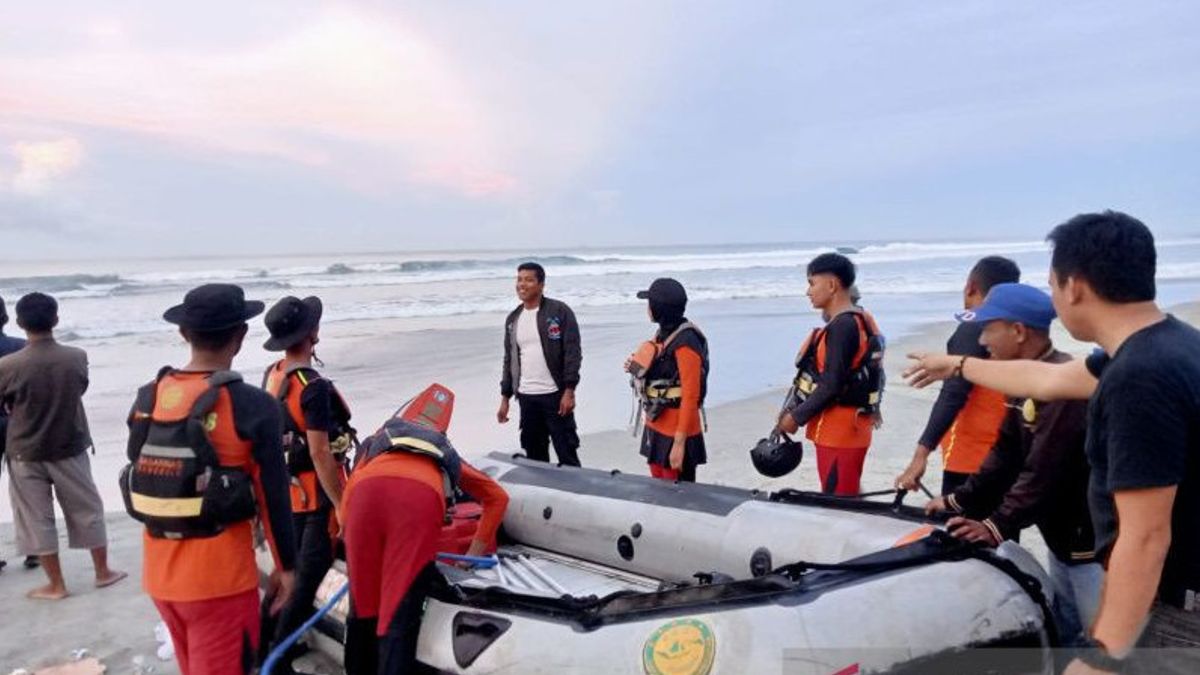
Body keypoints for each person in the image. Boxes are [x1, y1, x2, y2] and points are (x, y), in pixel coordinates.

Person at [905, 212, 1199, 674]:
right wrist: (960, 366)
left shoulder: (1139, 377)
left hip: (1180, 611)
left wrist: (1102, 656)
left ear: (1074, 286)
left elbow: (1145, 536)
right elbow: (1050, 378)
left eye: (1052, 284)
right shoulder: (1169, 344)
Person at [125, 284, 296, 675]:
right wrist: (288, 568)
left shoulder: (147, 399)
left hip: (160, 575)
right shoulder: (253, 406)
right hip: (220, 584)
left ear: (184, 334)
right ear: (241, 336)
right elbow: (274, 499)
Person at [922, 283, 1100, 646]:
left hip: (1091, 540)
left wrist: (995, 526)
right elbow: (1004, 454)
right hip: (1062, 534)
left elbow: (1043, 472)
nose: (982, 341)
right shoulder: (1025, 380)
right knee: (1064, 622)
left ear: (1018, 332)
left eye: (988, 329)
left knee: (1105, 640)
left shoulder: (1061, 387)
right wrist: (958, 501)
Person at [343, 384, 509, 674]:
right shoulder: (442, 450)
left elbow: (349, 497)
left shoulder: (376, 440)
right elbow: (497, 497)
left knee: (363, 608)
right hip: (418, 498)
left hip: (362, 494)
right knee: (399, 611)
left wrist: (345, 534)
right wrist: (472, 554)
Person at [0, 292, 124, 599]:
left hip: (24, 449)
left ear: (19, 322)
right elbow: (79, 389)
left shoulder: (8, 365)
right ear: (56, 319)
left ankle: (56, 584)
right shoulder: (76, 356)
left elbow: (5, 403)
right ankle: (102, 572)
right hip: (69, 443)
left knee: (36, 517)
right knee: (87, 509)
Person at [260, 296, 355, 669]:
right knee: (305, 581)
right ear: (312, 334)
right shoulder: (312, 386)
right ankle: (276, 658)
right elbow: (320, 454)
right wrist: (341, 503)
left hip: (284, 494)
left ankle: (264, 645)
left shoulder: (273, 373)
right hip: (314, 499)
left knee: (285, 574)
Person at [896, 257, 1020, 495]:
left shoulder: (975, 325)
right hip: (1007, 454)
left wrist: (920, 456)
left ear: (971, 286)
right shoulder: (1015, 329)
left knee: (961, 529)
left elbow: (955, 393)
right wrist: (949, 368)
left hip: (972, 457)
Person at [777, 253, 883, 496]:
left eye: (812, 283)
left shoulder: (843, 326)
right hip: (845, 429)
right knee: (845, 492)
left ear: (832, 285)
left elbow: (831, 384)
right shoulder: (857, 321)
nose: (808, 291)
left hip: (841, 433)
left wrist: (795, 417)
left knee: (839, 500)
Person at [497, 262, 582, 466]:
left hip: (556, 396)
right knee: (535, 455)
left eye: (528, 280)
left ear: (541, 285)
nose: (522, 284)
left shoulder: (559, 312)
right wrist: (505, 397)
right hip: (527, 397)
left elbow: (573, 352)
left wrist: (569, 390)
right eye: (519, 279)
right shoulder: (513, 319)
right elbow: (509, 360)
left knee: (566, 451)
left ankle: (575, 493)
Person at [624, 278, 709, 482]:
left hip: (677, 430)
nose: (648, 307)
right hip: (656, 423)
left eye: (650, 302)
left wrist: (679, 444)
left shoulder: (686, 341)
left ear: (658, 308)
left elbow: (690, 395)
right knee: (658, 487)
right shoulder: (663, 334)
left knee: (677, 494)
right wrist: (636, 368)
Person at [0, 295, 39, 572]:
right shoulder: (20, 348)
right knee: (26, 488)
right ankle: (35, 550)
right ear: (5, 317)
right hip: (16, 424)